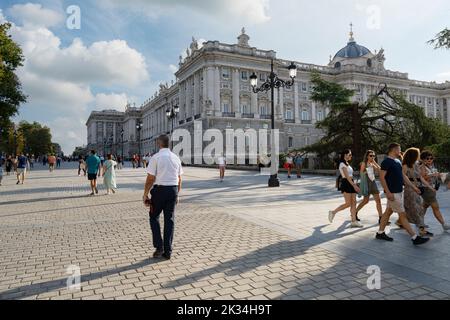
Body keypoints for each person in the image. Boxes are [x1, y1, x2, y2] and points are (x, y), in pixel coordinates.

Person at [376, 143, 429, 245]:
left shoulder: (397, 161)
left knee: (388, 212)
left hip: (399, 191)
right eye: (399, 149)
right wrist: (388, 192)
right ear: (393, 150)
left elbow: (403, 176)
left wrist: (414, 188)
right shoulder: (386, 162)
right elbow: (382, 178)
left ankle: (380, 232)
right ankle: (414, 237)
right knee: (402, 215)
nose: (400, 151)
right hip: (393, 193)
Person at [143, 135, 183, 260]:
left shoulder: (156, 157)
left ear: (159, 144)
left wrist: (145, 194)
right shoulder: (176, 158)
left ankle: (159, 246)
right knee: (169, 220)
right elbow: (179, 178)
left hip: (159, 191)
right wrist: (177, 194)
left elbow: (150, 178)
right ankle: (168, 251)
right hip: (173, 190)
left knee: (154, 217)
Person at [401, 148, 432, 237]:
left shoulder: (416, 164)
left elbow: (420, 177)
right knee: (415, 209)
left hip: (417, 188)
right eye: (417, 154)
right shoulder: (405, 165)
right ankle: (421, 229)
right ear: (413, 155)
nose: (419, 155)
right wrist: (414, 187)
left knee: (419, 209)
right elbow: (404, 178)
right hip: (410, 190)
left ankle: (421, 228)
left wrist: (429, 186)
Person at [328, 149, 363, 228]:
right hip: (347, 183)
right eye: (350, 154)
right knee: (348, 203)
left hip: (351, 182)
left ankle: (354, 221)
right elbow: (347, 177)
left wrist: (354, 184)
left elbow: (350, 176)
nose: (351, 156)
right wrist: (354, 185)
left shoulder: (347, 163)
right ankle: (333, 212)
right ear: (345, 155)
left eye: (351, 155)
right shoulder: (341, 164)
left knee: (354, 202)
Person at [419, 151, 450, 232]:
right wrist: (433, 175)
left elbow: (434, 176)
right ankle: (443, 224)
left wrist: (439, 175)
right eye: (427, 158)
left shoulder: (431, 166)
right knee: (435, 207)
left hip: (432, 189)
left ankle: (419, 222)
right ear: (422, 159)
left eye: (431, 158)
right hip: (426, 190)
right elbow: (422, 178)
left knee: (425, 206)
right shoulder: (422, 167)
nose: (430, 160)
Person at [355, 150, 385, 224]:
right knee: (365, 201)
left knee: (378, 201)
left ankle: (381, 218)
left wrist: (374, 162)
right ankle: (354, 212)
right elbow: (362, 173)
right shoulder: (364, 163)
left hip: (373, 183)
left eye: (373, 156)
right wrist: (368, 169)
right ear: (367, 156)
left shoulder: (372, 163)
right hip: (366, 183)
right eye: (371, 155)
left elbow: (380, 170)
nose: (372, 157)